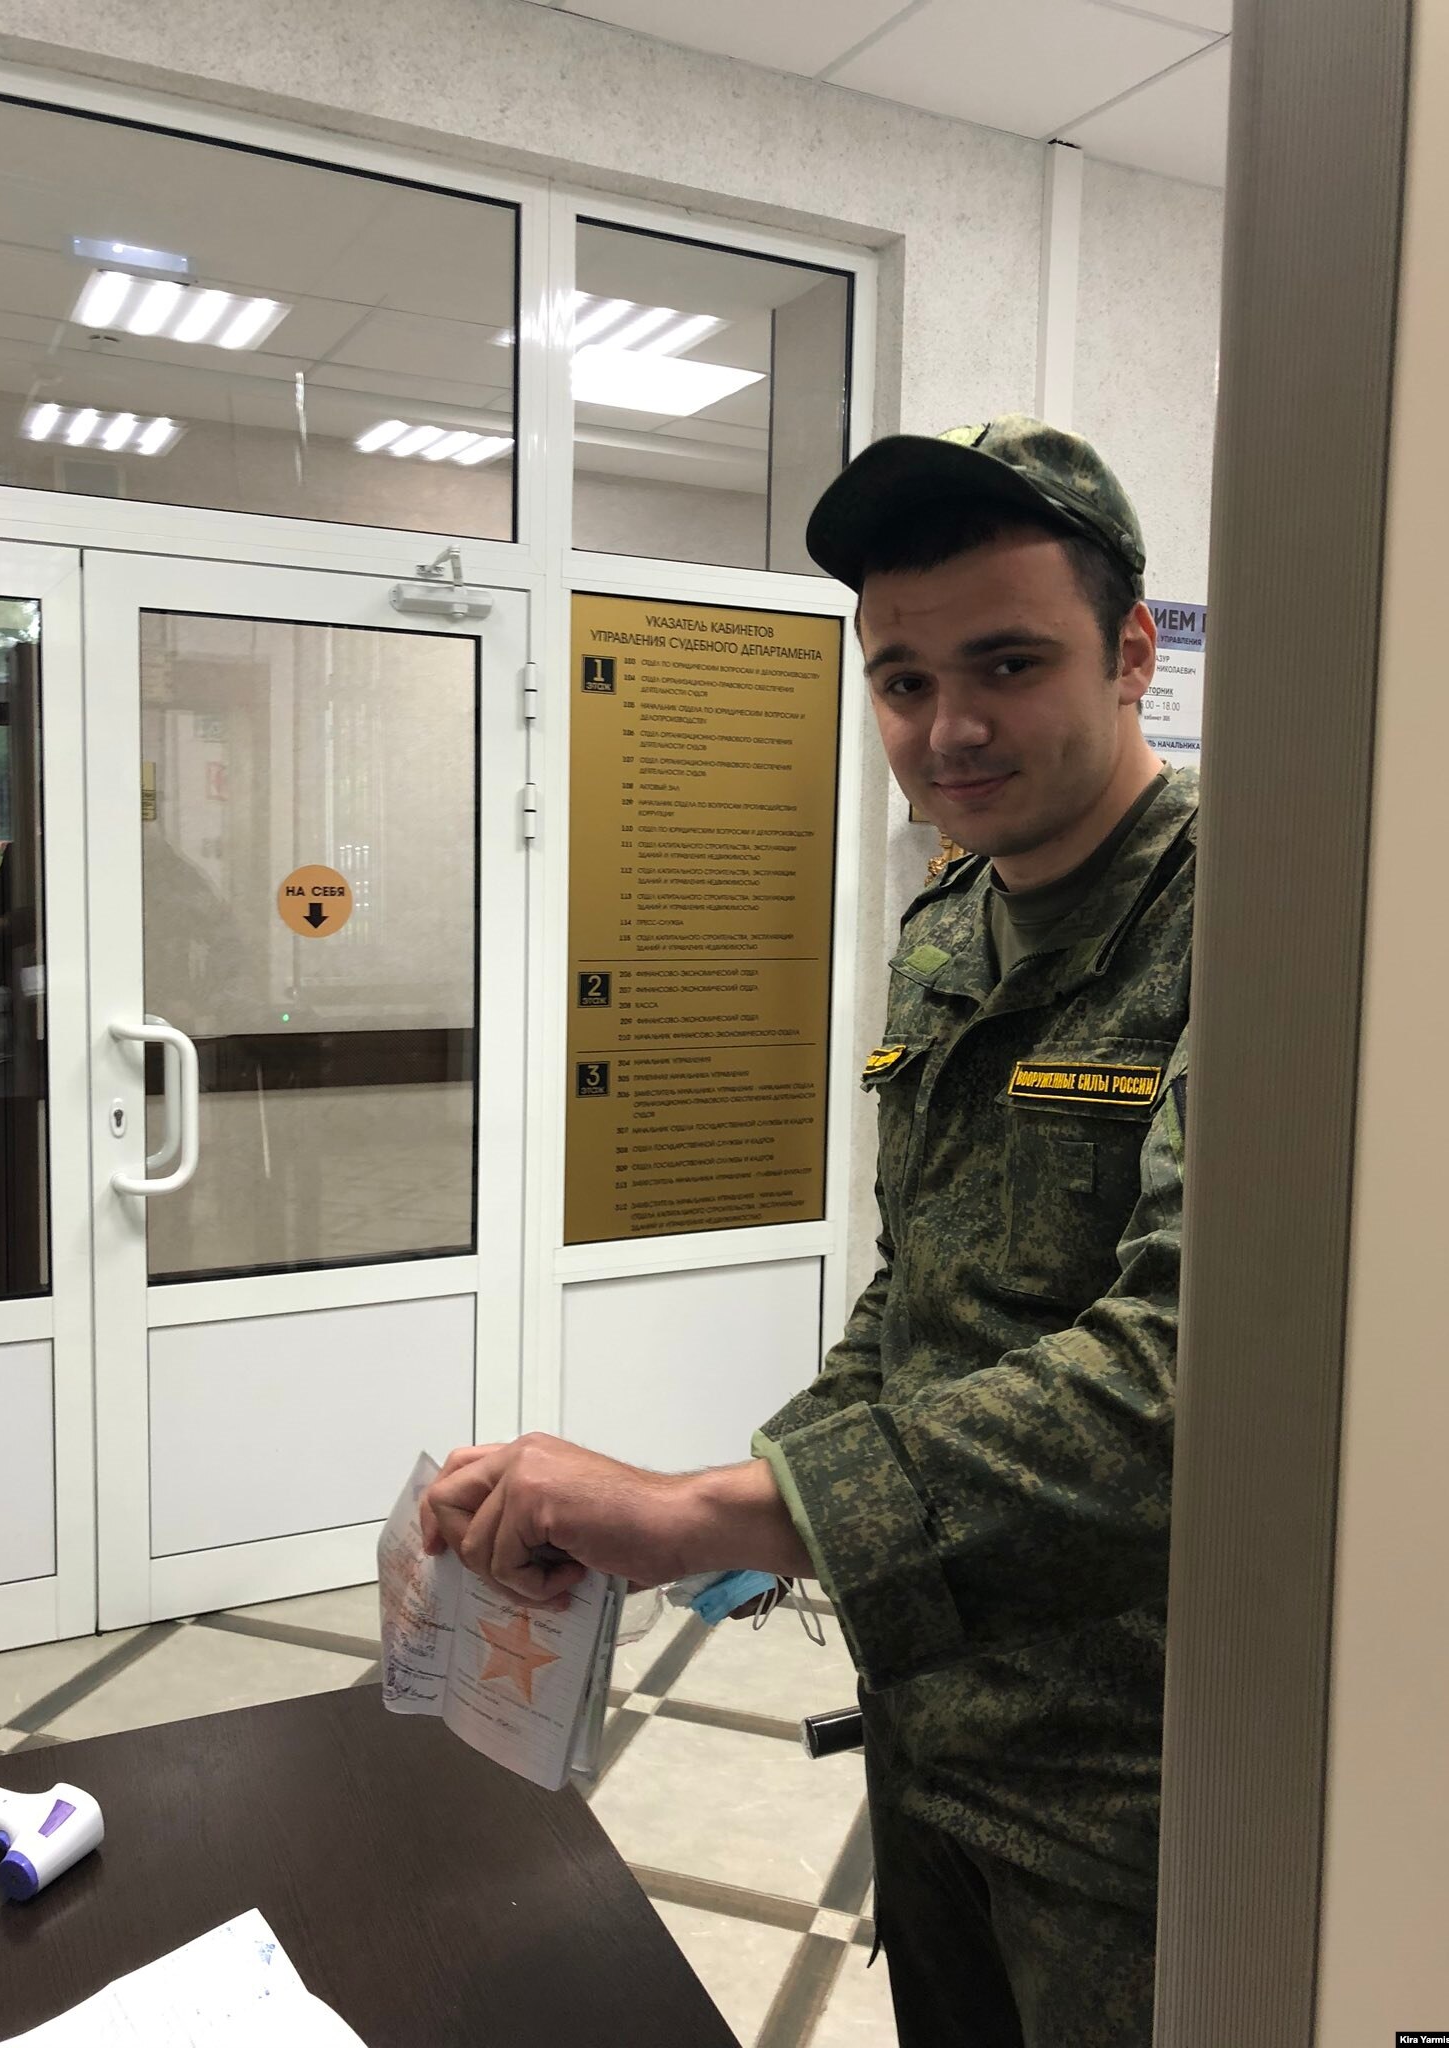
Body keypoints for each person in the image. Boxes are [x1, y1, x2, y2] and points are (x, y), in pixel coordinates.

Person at [422, 416, 1194, 2048]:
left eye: (1007, 664)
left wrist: (708, 1511)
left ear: (1131, 652)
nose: (948, 727)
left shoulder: (1254, 924)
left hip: (1135, 1793)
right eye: (902, 679)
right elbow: (926, 1292)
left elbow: (1180, 1384)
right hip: (932, 1728)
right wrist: (735, 1514)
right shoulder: (953, 924)